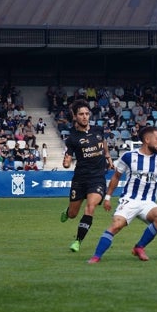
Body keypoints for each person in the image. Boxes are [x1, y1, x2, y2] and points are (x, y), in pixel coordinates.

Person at [87, 126, 157, 263]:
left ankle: (139, 247)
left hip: (147, 202)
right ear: (147, 139)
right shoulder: (129, 156)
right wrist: (107, 197)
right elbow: (116, 177)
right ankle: (96, 256)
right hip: (129, 200)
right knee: (116, 225)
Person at [60, 99, 114, 252]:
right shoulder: (72, 138)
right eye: (81, 114)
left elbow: (103, 144)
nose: (84, 117)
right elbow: (68, 157)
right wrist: (66, 162)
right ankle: (67, 211)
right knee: (72, 214)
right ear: (75, 116)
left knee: (90, 207)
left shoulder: (98, 130)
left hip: (97, 178)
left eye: (86, 114)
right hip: (80, 178)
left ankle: (77, 241)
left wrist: (108, 158)